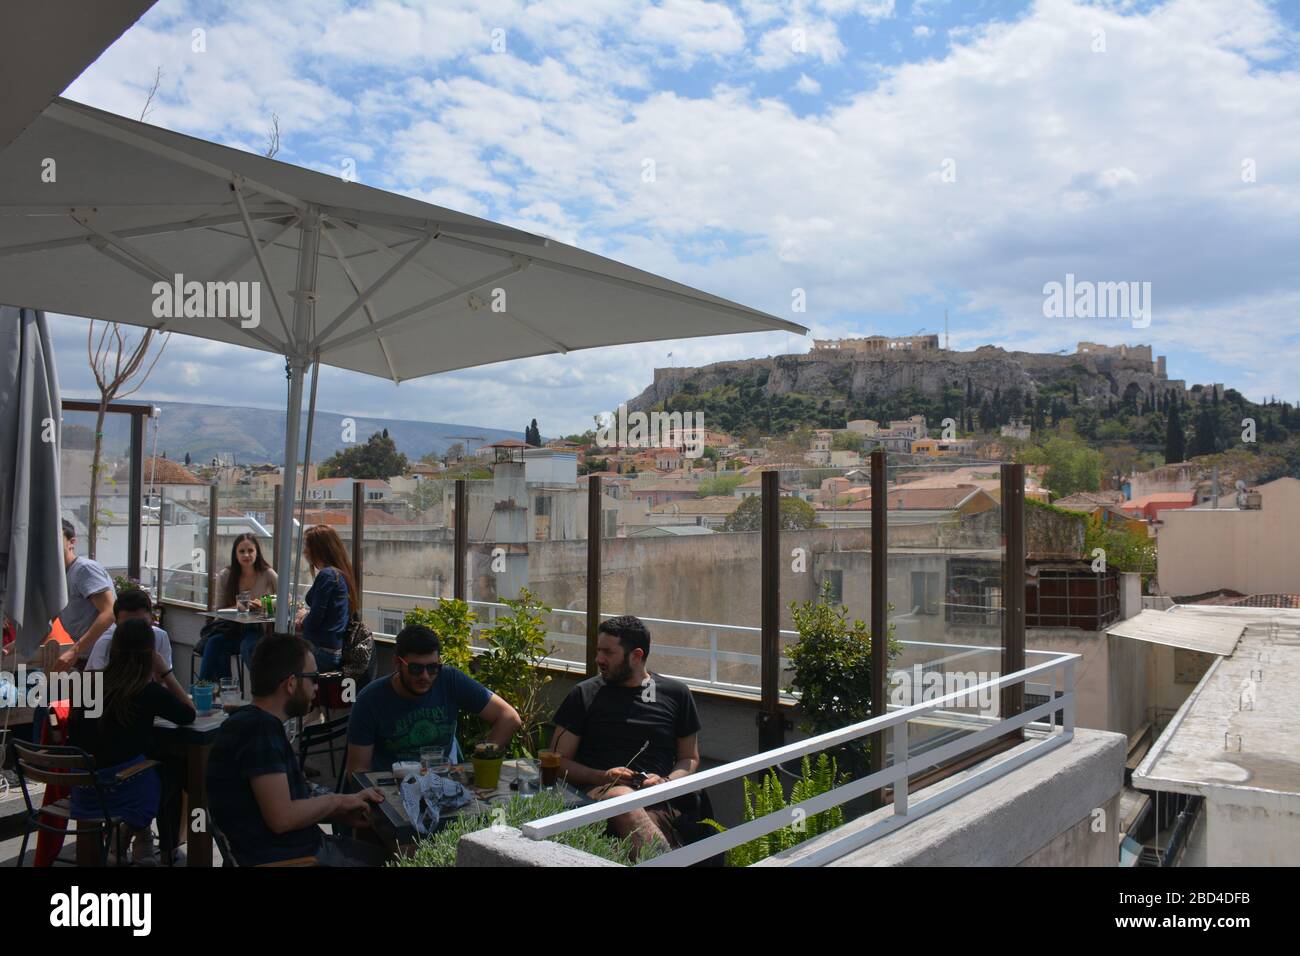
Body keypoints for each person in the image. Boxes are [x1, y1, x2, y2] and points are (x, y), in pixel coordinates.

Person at [206, 633, 387, 866]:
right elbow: (282, 817)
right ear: (291, 684)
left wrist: (341, 808)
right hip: (294, 859)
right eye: (313, 678)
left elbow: (287, 802)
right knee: (402, 860)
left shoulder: (250, 723)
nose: (317, 688)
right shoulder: (259, 731)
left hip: (296, 850)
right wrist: (337, 802)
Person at [548, 615, 702, 857]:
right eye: (598, 650)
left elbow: (689, 758)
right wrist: (602, 776)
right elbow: (557, 761)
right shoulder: (585, 694)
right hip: (598, 793)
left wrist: (666, 782)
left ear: (636, 655)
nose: (599, 659)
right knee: (622, 798)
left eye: (608, 652)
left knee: (633, 808)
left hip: (658, 800)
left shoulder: (676, 694)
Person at [68, 618, 196, 865]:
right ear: (149, 653)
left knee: (148, 759)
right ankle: (156, 842)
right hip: (124, 792)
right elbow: (188, 713)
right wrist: (166, 672)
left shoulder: (90, 685)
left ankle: (131, 836)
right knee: (178, 768)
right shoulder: (146, 692)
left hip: (85, 792)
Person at [345, 624, 521, 775]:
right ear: (397, 663)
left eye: (433, 667)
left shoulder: (450, 680)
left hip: (442, 783)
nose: (425, 676)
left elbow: (508, 718)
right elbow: (357, 772)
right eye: (415, 668)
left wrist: (481, 765)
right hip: (392, 789)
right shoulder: (370, 700)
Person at [199, 533, 278, 681]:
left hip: (257, 629)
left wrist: (266, 603)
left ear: (257, 552)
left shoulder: (267, 573)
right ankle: (206, 688)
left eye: (250, 550)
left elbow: (286, 598)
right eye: (241, 551)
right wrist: (240, 606)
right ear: (235, 554)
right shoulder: (226, 575)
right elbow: (219, 610)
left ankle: (260, 687)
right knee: (214, 643)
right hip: (233, 629)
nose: (246, 555)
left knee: (247, 646)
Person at [293, 526, 356, 671]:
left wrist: (302, 620)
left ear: (318, 549)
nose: (304, 551)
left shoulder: (327, 575)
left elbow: (315, 619)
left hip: (321, 652)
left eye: (307, 546)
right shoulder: (338, 575)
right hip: (332, 651)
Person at [56, 519, 115, 670]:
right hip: (85, 654)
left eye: (56, 538)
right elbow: (47, 620)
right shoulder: (57, 575)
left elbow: (109, 612)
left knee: (91, 693)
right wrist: (12, 647)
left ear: (71, 542)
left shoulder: (84, 569)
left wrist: (74, 650)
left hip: (105, 654)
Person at [85, 588, 173, 672]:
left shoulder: (160, 637)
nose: (135, 630)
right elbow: (97, 684)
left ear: (152, 619)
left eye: (141, 623)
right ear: (115, 622)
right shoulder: (106, 643)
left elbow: (163, 680)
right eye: (127, 625)